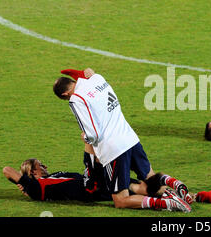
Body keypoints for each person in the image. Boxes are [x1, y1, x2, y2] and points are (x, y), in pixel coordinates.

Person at [53, 68, 197, 212]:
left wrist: (86, 137)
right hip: (130, 138)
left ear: (65, 94)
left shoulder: (76, 99)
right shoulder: (97, 79)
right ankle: (176, 190)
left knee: (121, 200)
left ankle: (167, 204)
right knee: (150, 179)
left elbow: (93, 133)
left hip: (113, 149)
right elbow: (89, 74)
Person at [3, 151, 211, 209]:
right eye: (38, 165)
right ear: (32, 172)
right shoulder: (37, 186)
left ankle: (194, 197)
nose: (44, 166)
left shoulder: (49, 178)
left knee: (139, 185)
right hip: (90, 190)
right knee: (133, 187)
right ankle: (172, 200)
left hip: (94, 184)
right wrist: (22, 183)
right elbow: (7, 170)